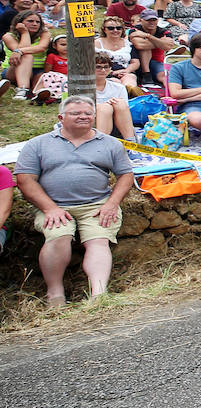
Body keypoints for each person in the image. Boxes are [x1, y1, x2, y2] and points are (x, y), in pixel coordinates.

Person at [14, 96, 135, 307]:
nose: (83, 117)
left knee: (98, 240)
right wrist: (49, 208)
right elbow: (25, 180)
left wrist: (112, 203)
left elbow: (126, 176)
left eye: (88, 113)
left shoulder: (110, 143)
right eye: (76, 113)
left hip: (97, 205)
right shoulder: (38, 144)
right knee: (59, 236)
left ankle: (99, 294)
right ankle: (55, 293)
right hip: (55, 205)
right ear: (61, 117)